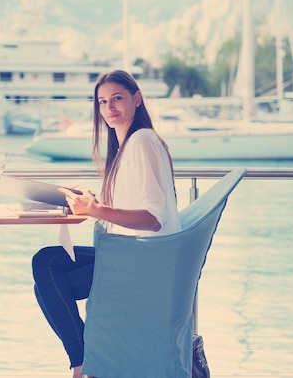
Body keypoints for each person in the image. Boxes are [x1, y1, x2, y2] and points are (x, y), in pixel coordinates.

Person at [31, 69, 181, 378]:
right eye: (102, 102)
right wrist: (91, 201)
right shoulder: (127, 145)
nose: (109, 108)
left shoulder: (141, 142)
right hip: (131, 255)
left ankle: (83, 362)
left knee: (48, 275)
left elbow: (154, 220)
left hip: (143, 262)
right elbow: (134, 203)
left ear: (136, 99)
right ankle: (85, 361)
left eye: (117, 99)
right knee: (47, 267)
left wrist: (97, 210)